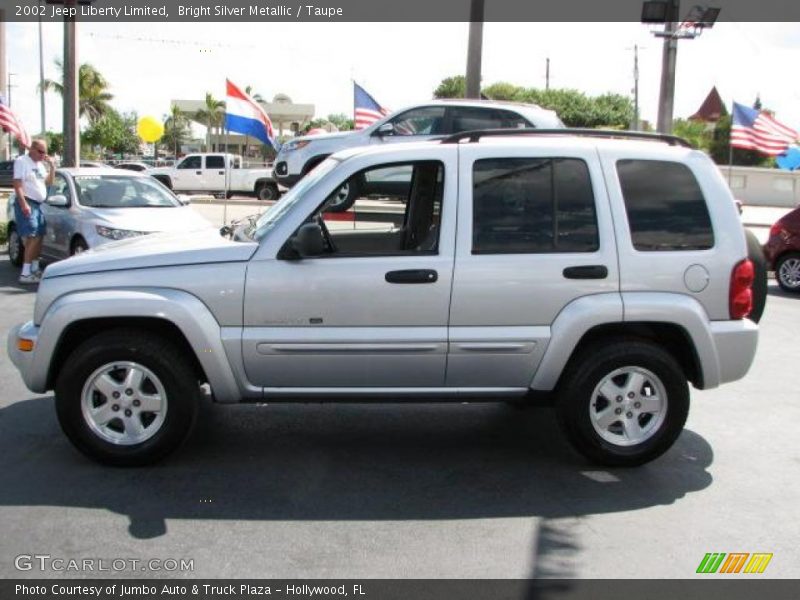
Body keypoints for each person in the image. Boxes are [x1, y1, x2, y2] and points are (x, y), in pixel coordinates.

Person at [12, 139, 55, 284]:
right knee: (32, 237)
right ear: (32, 149)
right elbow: (17, 184)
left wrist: (52, 167)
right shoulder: (22, 161)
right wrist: (24, 204)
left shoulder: (41, 165)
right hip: (28, 201)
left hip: (38, 204)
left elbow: (48, 183)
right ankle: (25, 273)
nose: (43, 155)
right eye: (41, 152)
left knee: (39, 235)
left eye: (45, 152)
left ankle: (35, 269)